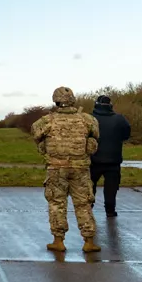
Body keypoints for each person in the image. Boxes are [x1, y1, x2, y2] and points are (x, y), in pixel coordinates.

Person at [32, 87, 101, 253]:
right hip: (81, 169)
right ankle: (89, 241)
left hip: (56, 168)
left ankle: (58, 240)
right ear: (72, 100)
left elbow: (35, 134)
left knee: (56, 203)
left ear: (56, 101)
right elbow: (95, 135)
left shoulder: (46, 121)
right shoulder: (87, 119)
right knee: (84, 203)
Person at [90, 95, 131, 218]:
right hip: (113, 161)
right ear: (110, 105)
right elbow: (126, 135)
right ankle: (110, 211)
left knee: (89, 187)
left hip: (92, 160)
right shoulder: (120, 119)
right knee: (111, 189)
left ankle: (87, 209)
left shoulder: (90, 119)